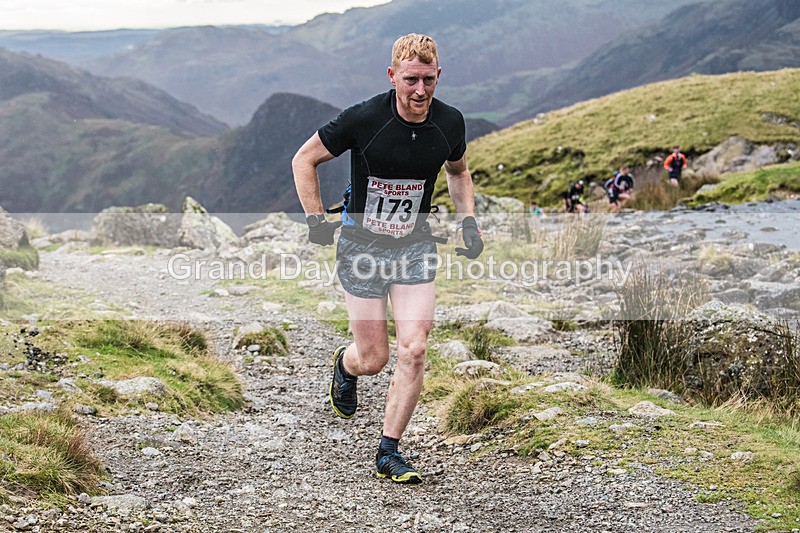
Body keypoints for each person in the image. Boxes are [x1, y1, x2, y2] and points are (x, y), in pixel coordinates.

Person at [292, 33, 483, 484]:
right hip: (362, 246)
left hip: (415, 244)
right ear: (392, 75)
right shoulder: (364, 118)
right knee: (374, 357)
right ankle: (346, 364)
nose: (420, 91)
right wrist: (316, 220)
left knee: (414, 347)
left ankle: (389, 450)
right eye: (411, 80)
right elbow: (304, 159)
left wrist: (468, 220)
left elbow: (458, 172)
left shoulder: (450, 122)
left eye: (429, 81)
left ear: (440, 77)